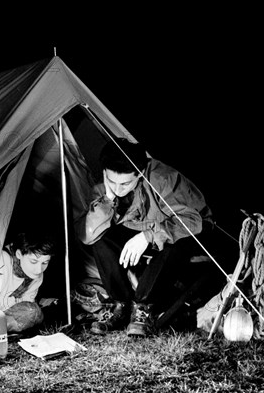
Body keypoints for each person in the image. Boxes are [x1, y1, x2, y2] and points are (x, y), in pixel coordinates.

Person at [75, 138, 214, 337]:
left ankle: (143, 308)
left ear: (139, 174)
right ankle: (121, 304)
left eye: (124, 183)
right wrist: (108, 198)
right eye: (111, 181)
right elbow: (88, 236)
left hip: (185, 232)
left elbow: (191, 220)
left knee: (172, 246)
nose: (118, 188)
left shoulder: (162, 179)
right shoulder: (106, 189)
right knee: (101, 239)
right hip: (142, 229)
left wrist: (147, 236)